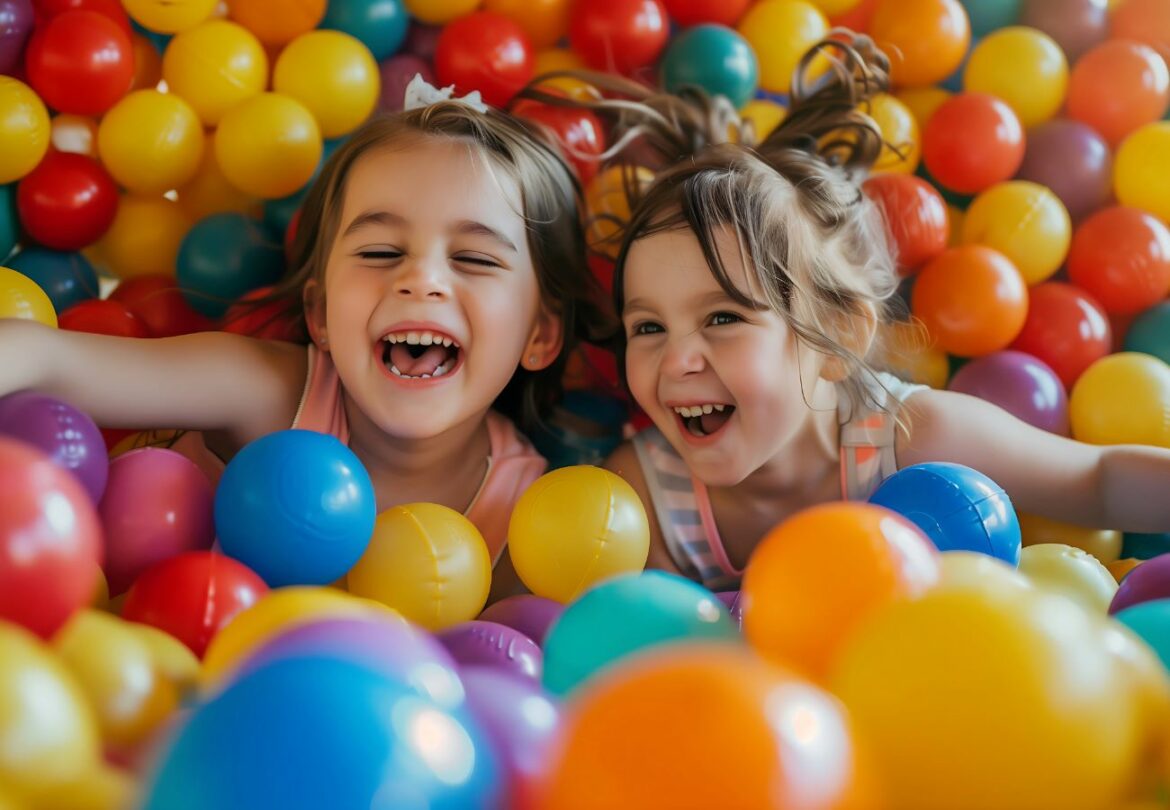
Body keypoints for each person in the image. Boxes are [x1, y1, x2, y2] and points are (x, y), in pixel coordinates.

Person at [524, 35, 1170, 591]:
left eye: (722, 318)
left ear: (836, 338)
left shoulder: (915, 439)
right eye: (649, 327)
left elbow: (1099, 477)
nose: (678, 358)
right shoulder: (642, 499)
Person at [0, 76, 612, 600]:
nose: (420, 279)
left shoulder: (528, 515)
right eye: (380, 250)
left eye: (476, 259)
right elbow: (49, 360)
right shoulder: (266, 390)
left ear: (541, 334)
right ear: (319, 316)